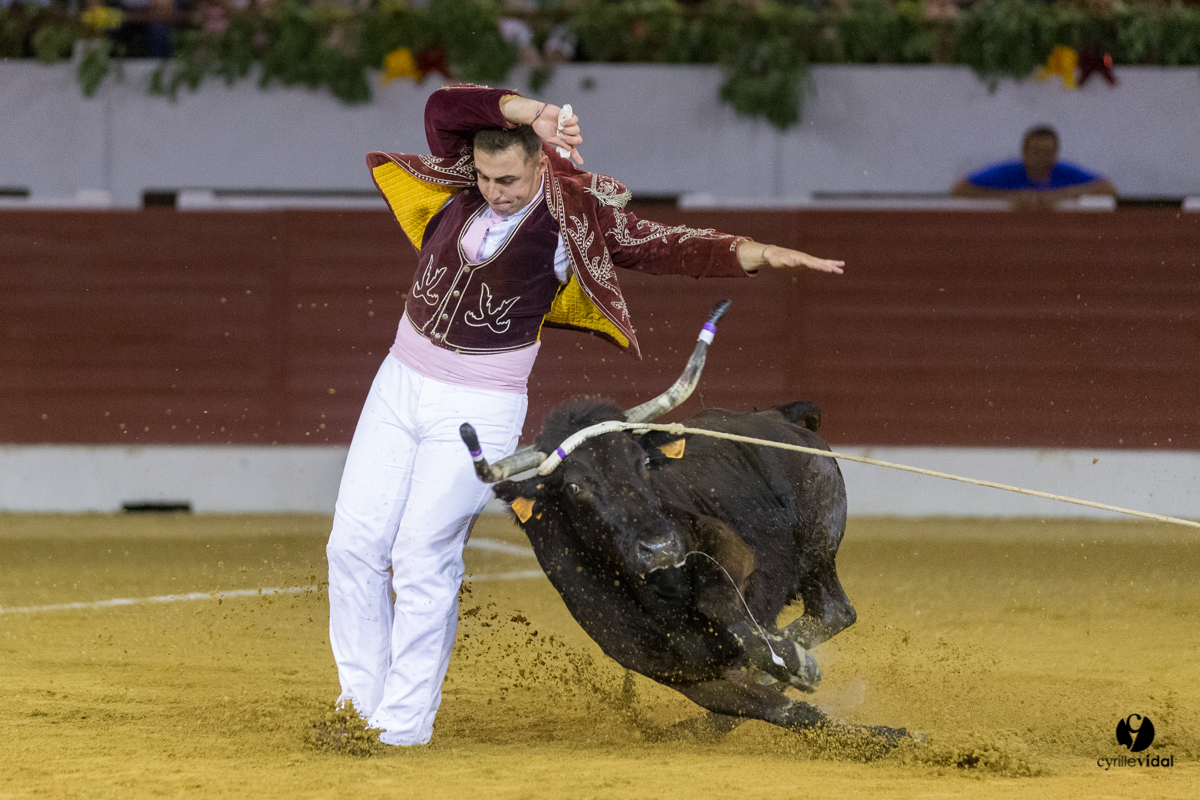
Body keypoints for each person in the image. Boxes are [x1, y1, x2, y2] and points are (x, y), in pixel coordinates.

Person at [325, 84, 845, 747]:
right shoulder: (467, 182)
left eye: (508, 178)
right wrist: (529, 110)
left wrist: (759, 253)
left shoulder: (572, 218)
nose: (493, 190)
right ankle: (358, 708)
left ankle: (399, 728)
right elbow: (443, 109)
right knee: (353, 547)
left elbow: (664, 245)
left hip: (479, 401)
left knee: (422, 555)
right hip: (398, 380)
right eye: (484, 176)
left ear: (540, 165)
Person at [952, 126, 1116, 209]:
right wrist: (1011, 198)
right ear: (1024, 152)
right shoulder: (1008, 172)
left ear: (1055, 154)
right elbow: (959, 190)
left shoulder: (1063, 171)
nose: (1042, 158)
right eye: (1036, 152)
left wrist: (1061, 196)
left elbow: (1108, 188)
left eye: (1048, 152)